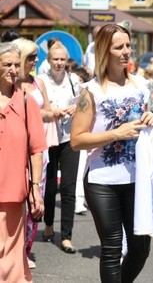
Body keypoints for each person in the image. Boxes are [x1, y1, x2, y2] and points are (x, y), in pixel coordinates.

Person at [70, 23, 153, 282]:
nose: (126, 52)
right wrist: (115, 134)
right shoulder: (91, 90)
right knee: (111, 248)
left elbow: (141, 121)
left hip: (137, 178)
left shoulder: (141, 86)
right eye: (118, 47)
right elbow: (76, 140)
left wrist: (150, 117)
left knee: (141, 248)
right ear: (104, 52)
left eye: (128, 46)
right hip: (102, 180)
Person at [0, 42, 46, 282]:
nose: (13, 69)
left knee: (10, 264)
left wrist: (36, 189)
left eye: (17, 64)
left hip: (13, 195)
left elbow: (37, 150)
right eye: (7, 64)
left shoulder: (27, 103)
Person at [13, 37, 55, 269]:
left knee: (35, 201)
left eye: (36, 56)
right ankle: (12, 248)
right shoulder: (9, 83)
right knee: (16, 201)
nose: (36, 60)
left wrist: (45, 113)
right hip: (15, 150)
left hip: (39, 149)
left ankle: (26, 249)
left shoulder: (38, 82)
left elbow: (47, 112)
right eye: (30, 57)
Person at [38, 40, 81, 253]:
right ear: (49, 60)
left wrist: (75, 108)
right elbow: (38, 107)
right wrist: (53, 109)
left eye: (62, 59)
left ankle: (66, 236)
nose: (59, 63)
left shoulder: (74, 79)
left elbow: (82, 103)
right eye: (55, 59)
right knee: (50, 187)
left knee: (68, 188)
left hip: (69, 137)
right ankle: (48, 225)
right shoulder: (41, 81)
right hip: (49, 138)